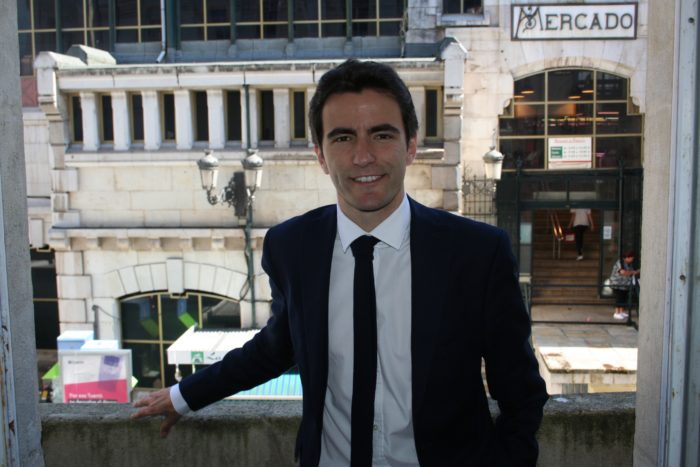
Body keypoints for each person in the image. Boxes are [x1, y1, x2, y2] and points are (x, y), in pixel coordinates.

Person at [132, 59, 548, 466]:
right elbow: (277, 346)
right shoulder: (291, 247)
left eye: (381, 135)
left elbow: (520, 392)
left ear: (411, 146)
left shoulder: (477, 253)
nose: (363, 156)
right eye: (343, 137)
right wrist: (184, 395)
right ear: (320, 154)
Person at [609, 250, 640, 320]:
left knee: (623, 297)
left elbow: (630, 272)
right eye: (631, 258)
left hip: (625, 284)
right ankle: (617, 312)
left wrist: (633, 272)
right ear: (627, 257)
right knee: (619, 298)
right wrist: (634, 272)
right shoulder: (620, 263)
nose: (632, 260)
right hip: (617, 283)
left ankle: (621, 311)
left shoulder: (629, 264)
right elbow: (623, 272)